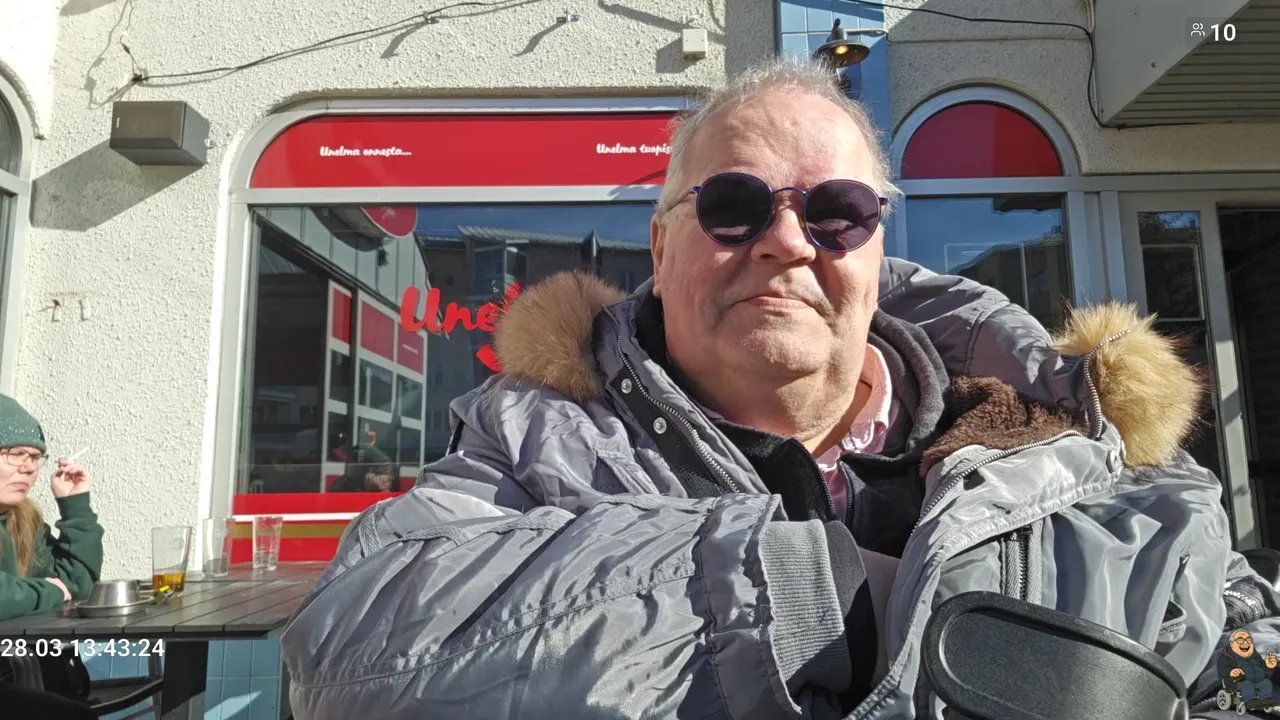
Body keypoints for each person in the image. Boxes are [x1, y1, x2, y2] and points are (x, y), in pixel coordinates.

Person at [280, 59, 1280, 719]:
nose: (788, 241)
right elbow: (348, 653)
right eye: (733, 204)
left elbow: (1250, 659)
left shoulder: (1073, 446)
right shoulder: (535, 438)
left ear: (877, 249)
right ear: (661, 247)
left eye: (837, 212)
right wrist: (790, 595)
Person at [0, 394, 103, 620]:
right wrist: (48, 592)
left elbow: (76, 585)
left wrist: (75, 508)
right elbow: (56, 590)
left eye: (35, 457)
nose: (29, 468)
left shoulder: (22, 519)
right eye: (16, 454)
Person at [1219, 630, 1278, 710]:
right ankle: (1250, 701)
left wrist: (1268, 667)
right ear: (1232, 644)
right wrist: (1231, 672)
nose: (1245, 643)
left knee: (1266, 683)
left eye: (1248, 640)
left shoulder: (1255, 656)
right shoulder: (1226, 657)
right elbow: (1222, 670)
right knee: (1247, 684)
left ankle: (1266, 699)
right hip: (1237, 682)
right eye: (1240, 640)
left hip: (1257, 681)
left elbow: (1264, 672)